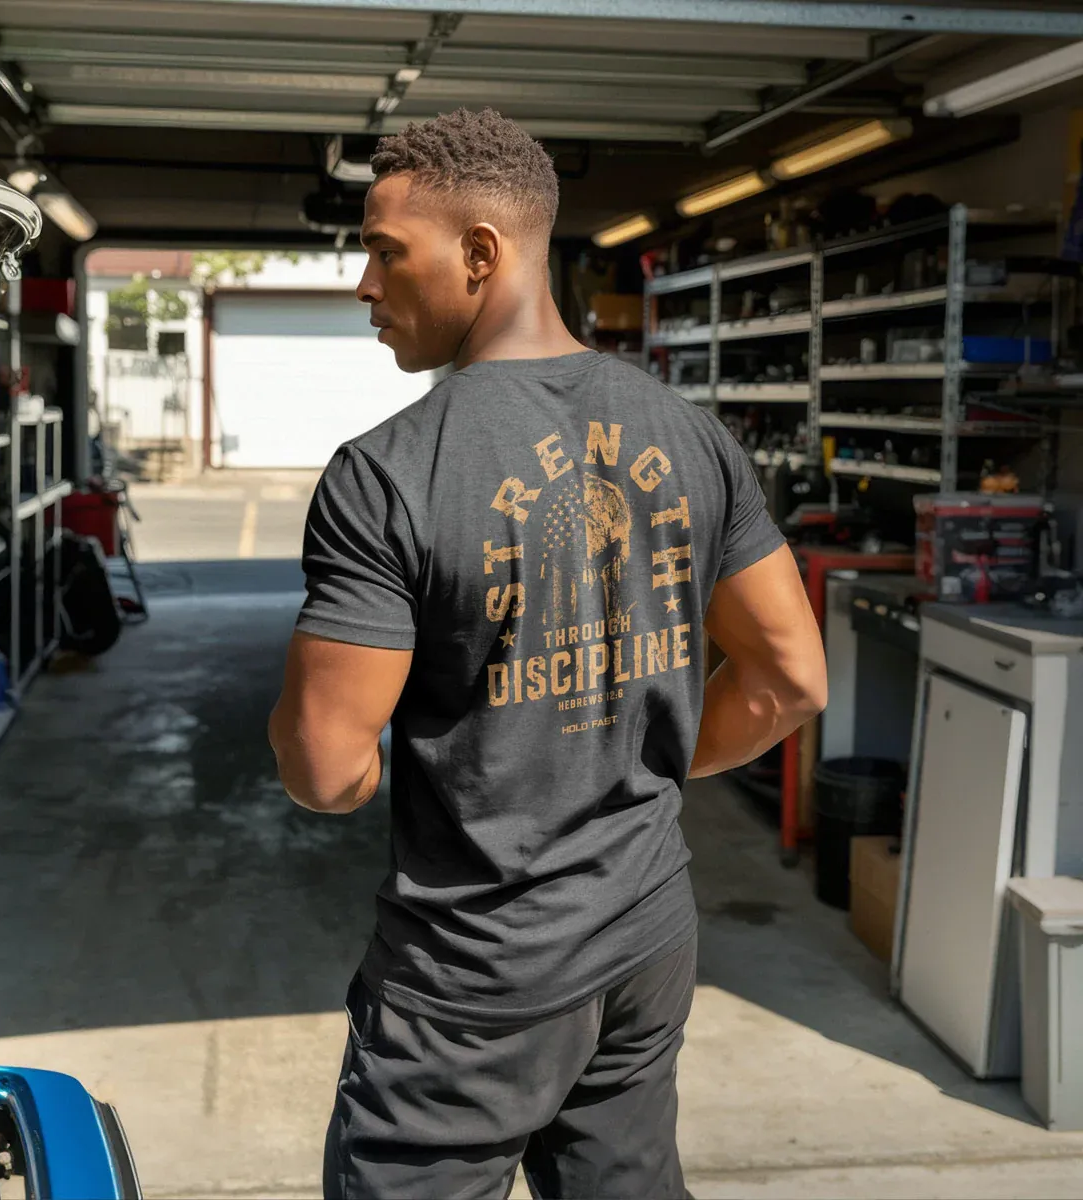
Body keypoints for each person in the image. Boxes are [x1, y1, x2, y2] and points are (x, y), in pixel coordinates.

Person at [269, 107, 827, 1200]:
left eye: (387, 252)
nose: (365, 288)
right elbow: (792, 678)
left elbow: (326, 769)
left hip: (474, 974)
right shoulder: (686, 430)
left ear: (482, 254)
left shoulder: (388, 475)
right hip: (647, 939)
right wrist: (636, 767)